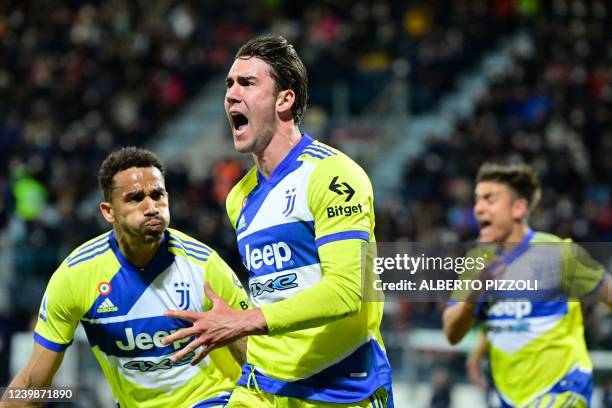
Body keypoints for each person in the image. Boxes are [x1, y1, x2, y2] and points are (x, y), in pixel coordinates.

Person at [163, 36, 394, 407]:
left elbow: (347, 292)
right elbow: (275, 290)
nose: (231, 94)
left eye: (247, 83)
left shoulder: (334, 176)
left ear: (285, 100)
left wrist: (243, 321)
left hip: (341, 389)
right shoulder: (238, 198)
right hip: (264, 385)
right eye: (229, 84)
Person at [1, 147, 250, 408]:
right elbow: (32, 387)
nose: (151, 207)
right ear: (108, 211)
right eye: (135, 198)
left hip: (214, 400)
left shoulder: (204, 266)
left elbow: (258, 360)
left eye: (158, 195)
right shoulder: (76, 276)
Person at [443, 163, 612, 407]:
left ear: (518, 208)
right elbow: (452, 331)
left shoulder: (558, 253)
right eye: (477, 200)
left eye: (490, 200)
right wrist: (475, 295)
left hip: (563, 389)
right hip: (510, 396)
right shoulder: (477, 261)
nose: (479, 208)